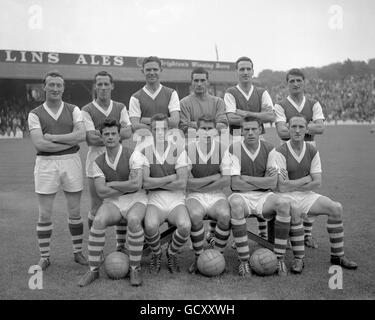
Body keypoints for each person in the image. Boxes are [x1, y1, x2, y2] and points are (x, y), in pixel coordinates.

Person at [268, 115, 357, 271]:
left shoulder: (312, 150)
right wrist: (306, 178)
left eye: (301, 127)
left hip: (306, 195)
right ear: (288, 128)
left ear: (307, 129)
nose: (297, 130)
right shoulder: (279, 152)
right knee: (294, 210)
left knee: (336, 208)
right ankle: (299, 259)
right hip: (284, 197)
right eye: (293, 126)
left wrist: (295, 183)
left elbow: (317, 182)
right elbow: (282, 187)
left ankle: (337, 256)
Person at [228, 116, 305, 276]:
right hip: (242, 196)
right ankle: (244, 262)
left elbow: (272, 183)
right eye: (246, 129)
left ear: (260, 130)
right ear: (241, 131)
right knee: (235, 203)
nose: (250, 133)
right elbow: (235, 184)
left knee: (284, 204)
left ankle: (279, 259)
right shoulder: (234, 149)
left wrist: (246, 178)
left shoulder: (270, 149)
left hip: (264, 196)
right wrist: (262, 180)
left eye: (254, 129)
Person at [28, 71, 87, 270]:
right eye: (51, 85)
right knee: (44, 213)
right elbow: (39, 144)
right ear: (44, 87)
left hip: (71, 161)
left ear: (63, 88)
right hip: (46, 163)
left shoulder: (73, 109)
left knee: (75, 211)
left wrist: (53, 138)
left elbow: (81, 135)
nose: (55, 88)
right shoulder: (34, 113)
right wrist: (67, 142)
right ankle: (45, 256)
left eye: (58, 85)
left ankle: (78, 252)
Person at [78, 119, 147, 287]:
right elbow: (101, 192)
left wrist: (113, 184)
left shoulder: (134, 154)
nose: (110, 137)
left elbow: (137, 185)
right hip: (113, 202)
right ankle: (93, 270)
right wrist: (126, 186)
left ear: (119, 136)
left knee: (134, 220)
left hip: (136, 199)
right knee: (98, 221)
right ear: (101, 138)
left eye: (113, 134)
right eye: (106, 134)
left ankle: (135, 268)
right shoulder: (98, 162)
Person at [224, 56, 276, 240]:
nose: (245, 72)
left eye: (248, 69)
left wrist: (246, 114)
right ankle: (236, 233)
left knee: (260, 178)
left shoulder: (262, 91)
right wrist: (258, 117)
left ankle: (262, 231)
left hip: (257, 138)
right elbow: (231, 119)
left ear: (253, 71)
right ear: (236, 72)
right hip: (236, 141)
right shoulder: (230, 92)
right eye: (241, 69)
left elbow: (271, 116)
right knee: (237, 186)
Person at [274, 68, 325, 249]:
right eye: (292, 81)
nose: (295, 84)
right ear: (287, 84)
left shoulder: (313, 103)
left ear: (304, 82)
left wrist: (296, 128)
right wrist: (307, 126)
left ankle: (307, 234)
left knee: (309, 191)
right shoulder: (280, 105)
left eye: (299, 81)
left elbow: (321, 128)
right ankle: (288, 233)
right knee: (287, 190)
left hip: (310, 147)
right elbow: (281, 131)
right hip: (287, 150)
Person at [81, 71, 132, 253]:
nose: (102, 87)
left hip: (119, 159)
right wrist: (115, 135)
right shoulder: (86, 110)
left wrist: (100, 133)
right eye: (99, 84)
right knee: (95, 206)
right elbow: (90, 139)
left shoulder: (120, 106)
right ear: (95, 86)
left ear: (112, 86)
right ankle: (97, 249)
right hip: (95, 162)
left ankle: (121, 246)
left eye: (106, 84)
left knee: (122, 202)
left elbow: (128, 132)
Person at [141, 113, 191, 273]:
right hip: (154, 199)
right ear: (150, 130)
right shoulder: (144, 151)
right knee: (150, 225)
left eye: (163, 129)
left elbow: (182, 183)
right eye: (156, 129)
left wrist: (157, 183)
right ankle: (156, 254)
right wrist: (170, 178)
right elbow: (144, 182)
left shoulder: (179, 150)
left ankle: (171, 253)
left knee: (185, 226)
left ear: (169, 130)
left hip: (176, 199)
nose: (160, 132)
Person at [185, 115, 231, 273]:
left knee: (225, 215)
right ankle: (198, 257)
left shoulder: (223, 148)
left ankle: (218, 257)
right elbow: (185, 182)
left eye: (209, 128)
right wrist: (213, 178)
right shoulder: (188, 149)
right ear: (197, 131)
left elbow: (226, 180)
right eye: (203, 128)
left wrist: (200, 184)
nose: (206, 132)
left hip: (216, 195)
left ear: (215, 131)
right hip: (194, 195)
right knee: (196, 215)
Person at [129, 56, 180, 132]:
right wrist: (162, 126)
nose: (152, 73)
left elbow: (175, 122)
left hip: (167, 142)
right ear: (142, 71)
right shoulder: (135, 97)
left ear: (161, 70)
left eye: (155, 69)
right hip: (144, 142)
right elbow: (135, 126)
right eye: (148, 70)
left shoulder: (172, 93)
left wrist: (144, 120)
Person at [179, 67, 228, 134]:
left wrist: (193, 124)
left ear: (208, 82)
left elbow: (222, 126)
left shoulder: (218, 102)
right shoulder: (183, 103)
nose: (199, 84)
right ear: (191, 82)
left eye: (202, 80)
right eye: (196, 81)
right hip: (192, 142)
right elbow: (184, 128)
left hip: (214, 142)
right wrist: (211, 125)